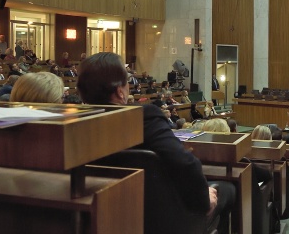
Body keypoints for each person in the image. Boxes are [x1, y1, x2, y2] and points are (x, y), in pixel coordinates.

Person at [77, 52, 235, 218]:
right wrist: (204, 199)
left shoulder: (76, 125)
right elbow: (185, 163)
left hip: (103, 213)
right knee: (228, 189)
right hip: (160, 216)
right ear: (120, 92)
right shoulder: (143, 117)